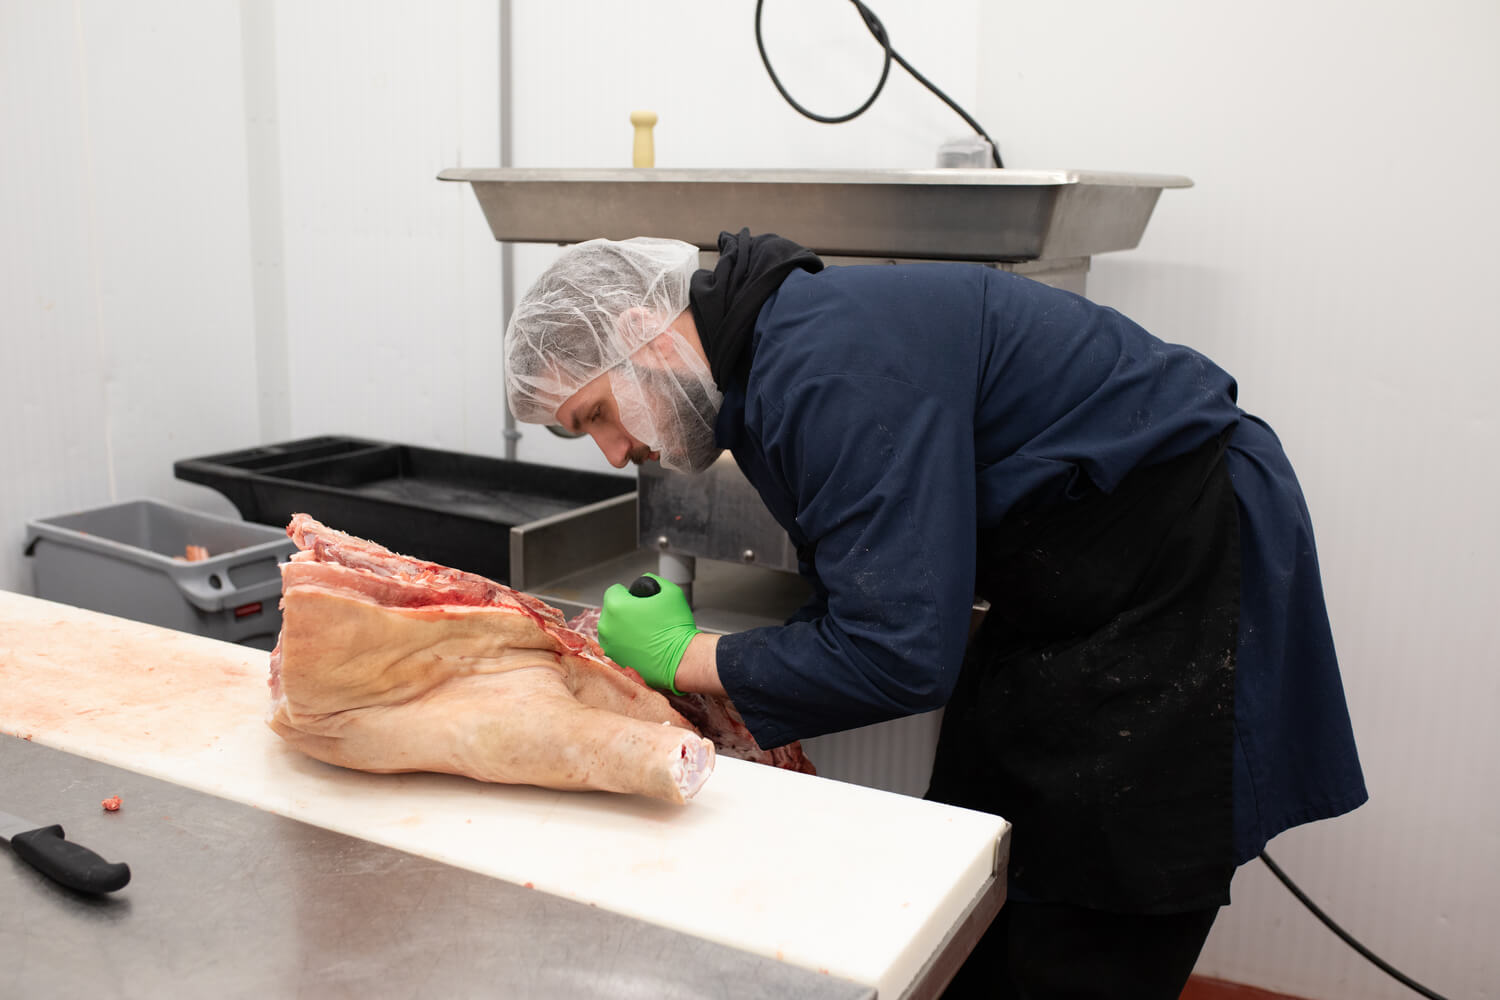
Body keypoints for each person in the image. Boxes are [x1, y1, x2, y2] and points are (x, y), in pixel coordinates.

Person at [502, 230, 1367, 999]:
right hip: (1069, 578)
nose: (617, 453)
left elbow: (898, 654)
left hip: (1177, 563)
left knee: (1105, 886)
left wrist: (684, 657)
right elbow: (872, 595)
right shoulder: (766, 364)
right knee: (976, 835)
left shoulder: (825, 364)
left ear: (631, 335)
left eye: (597, 418)